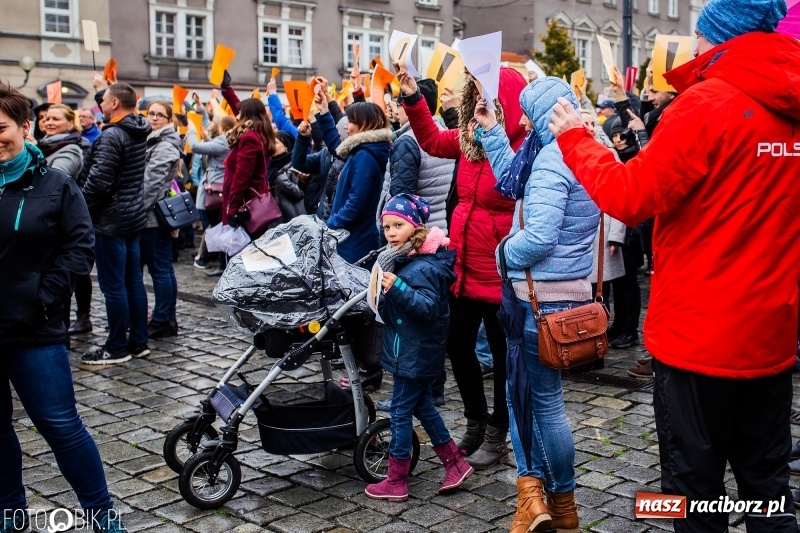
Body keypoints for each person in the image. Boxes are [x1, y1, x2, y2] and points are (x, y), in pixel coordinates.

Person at [548, 0, 799, 529]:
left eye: (699, 35)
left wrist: (574, 137)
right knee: (769, 491)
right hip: (770, 335)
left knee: (692, 495)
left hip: (698, 341)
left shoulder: (705, 103)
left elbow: (629, 194)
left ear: (716, 39)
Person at [0, 83, 128, 533]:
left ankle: (103, 515)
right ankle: (10, 515)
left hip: (34, 329)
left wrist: (45, 297)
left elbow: (79, 247)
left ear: (24, 127)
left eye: (1, 129)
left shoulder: (56, 184)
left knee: (61, 426)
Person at [475, 77, 599, 533]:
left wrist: (503, 252)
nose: (522, 120)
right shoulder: (582, 149)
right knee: (538, 399)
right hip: (570, 293)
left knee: (537, 401)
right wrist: (491, 131)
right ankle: (540, 500)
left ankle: (553, 504)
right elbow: (517, 179)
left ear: (545, 114)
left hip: (537, 300)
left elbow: (540, 237)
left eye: (528, 111)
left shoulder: (552, 158)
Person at [397, 65, 527, 469]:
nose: (479, 103)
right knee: (457, 344)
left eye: (487, 96)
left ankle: (498, 432)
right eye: (475, 96)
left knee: (505, 356)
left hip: (499, 268)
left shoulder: (522, 147)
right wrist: (415, 97)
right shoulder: (470, 139)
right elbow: (433, 140)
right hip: (465, 265)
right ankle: (475, 420)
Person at [364, 194, 473, 502]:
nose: (391, 232)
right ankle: (455, 463)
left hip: (416, 351)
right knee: (422, 406)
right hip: (409, 348)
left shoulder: (424, 267)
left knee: (400, 411)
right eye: (386, 227)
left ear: (415, 227)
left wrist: (396, 287)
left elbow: (427, 308)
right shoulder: (409, 259)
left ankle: (396, 479)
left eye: (398, 225)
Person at [80, 80, 151, 365]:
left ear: (114, 104)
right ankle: (139, 342)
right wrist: (105, 87)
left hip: (110, 220)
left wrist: (78, 208)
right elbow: (118, 99)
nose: (101, 104)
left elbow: (98, 182)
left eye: (104, 100)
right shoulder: (137, 127)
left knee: (114, 286)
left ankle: (117, 346)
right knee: (133, 281)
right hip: (131, 216)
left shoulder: (112, 136)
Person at [37, 104, 95, 339]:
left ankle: (75, 322)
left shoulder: (71, 148)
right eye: (46, 118)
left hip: (64, 220)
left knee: (71, 275)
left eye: (55, 119)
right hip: (47, 219)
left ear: (70, 124)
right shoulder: (44, 144)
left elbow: (54, 179)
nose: (48, 122)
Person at [315, 95, 393, 265]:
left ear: (364, 124)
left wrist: (331, 224)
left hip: (356, 241)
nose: (345, 125)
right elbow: (337, 147)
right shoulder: (363, 150)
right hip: (356, 236)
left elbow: (356, 202)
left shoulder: (364, 156)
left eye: (350, 121)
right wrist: (323, 112)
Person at [378, 78, 455, 234]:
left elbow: (400, 202)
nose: (397, 110)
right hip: (436, 230)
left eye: (399, 105)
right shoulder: (445, 135)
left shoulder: (407, 142)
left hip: (411, 236)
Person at [140, 101, 183, 339]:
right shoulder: (153, 139)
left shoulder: (165, 145)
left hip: (153, 218)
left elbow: (152, 185)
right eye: (151, 114)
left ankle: (163, 319)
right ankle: (164, 317)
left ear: (168, 119)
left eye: (160, 115)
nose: (154, 118)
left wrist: (137, 211)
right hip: (149, 215)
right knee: (161, 269)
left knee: (160, 269)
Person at [222, 97, 276, 238]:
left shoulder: (249, 137)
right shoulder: (259, 133)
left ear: (247, 114)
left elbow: (242, 176)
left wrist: (232, 208)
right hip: (248, 199)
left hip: (244, 203)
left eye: (240, 112)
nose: (237, 116)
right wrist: (228, 92)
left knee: (240, 251)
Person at [188, 115, 235, 276]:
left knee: (213, 225)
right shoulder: (226, 140)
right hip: (217, 187)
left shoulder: (223, 140)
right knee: (214, 225)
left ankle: (209, 258)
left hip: (215, 189)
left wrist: (191, 129)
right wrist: (207, 137)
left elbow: (194, 146)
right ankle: (214, 259)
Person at [270, 130, 306, 223]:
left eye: (276, 143)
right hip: (278, 221)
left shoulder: (294, 165)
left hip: (295, 219)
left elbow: (300, 192)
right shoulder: (271, 167)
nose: (272, 146)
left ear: (286, 146)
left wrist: (281, 179)